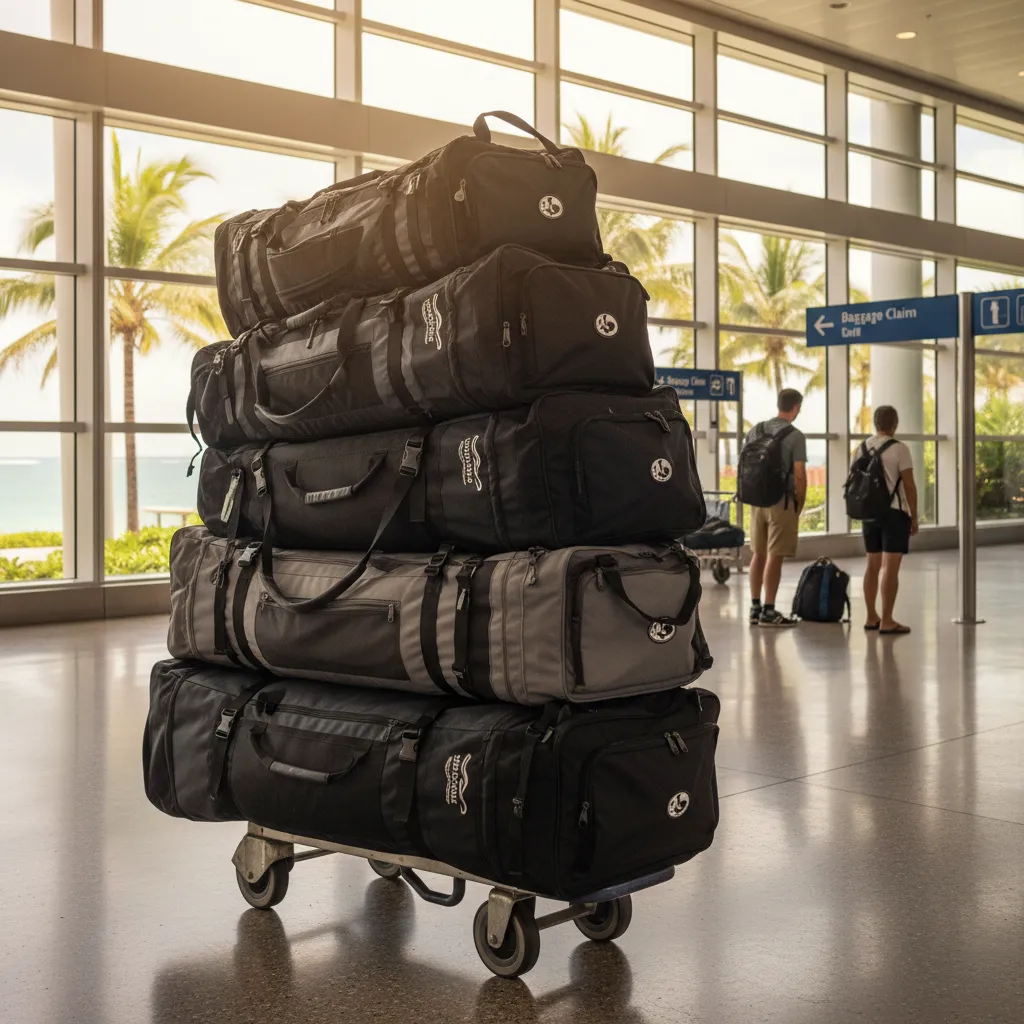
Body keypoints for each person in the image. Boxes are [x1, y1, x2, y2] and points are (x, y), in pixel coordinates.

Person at [746, 388, 807, 627]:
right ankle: (769, 611)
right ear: (795, 407)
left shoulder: (756, 429)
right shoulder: (795, 435)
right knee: (775, 555)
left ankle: (755, 607)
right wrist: (798, 503)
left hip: (756, 499)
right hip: (781, 501)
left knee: (758, 554)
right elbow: (799, 474)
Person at [860, 405, 918, 635]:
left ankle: (871, 616)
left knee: (872, 566)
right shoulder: (899, 449)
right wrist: (913, 516)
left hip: (869, 514)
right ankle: (887, 620)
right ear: (895, 423)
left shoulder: (861, 447)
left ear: (875, 423)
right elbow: (909, 486)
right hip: (894, 514)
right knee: (890, 568)